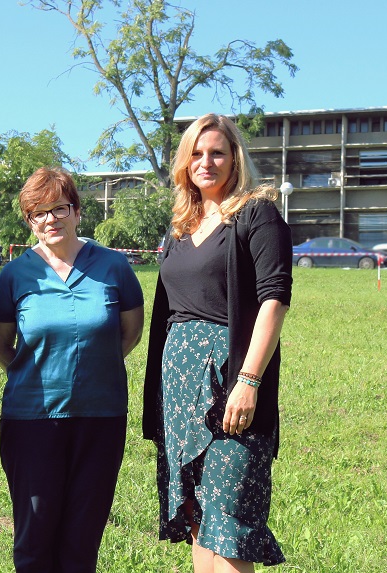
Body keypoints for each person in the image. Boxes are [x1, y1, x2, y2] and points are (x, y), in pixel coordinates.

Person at [142, 114, 293, 573]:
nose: (205, 162)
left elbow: (275, 300)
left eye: (217, 153)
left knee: (230, 526)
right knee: (197, 516)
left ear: (235, 159)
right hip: (179, 387)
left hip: (230, 380)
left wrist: (248, 381)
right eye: (196, 153)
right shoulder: (180, 227)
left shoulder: (256, 214)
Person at [0, 167, 145, 572]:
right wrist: (36, 370)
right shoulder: (14, 275)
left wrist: (92, 366)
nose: (50, 219)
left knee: (82, 542)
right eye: (38, 213)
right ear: (29, 221)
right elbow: (0, 343)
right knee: (34, 541)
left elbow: (129, 333)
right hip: (31, 420)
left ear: (77, 212)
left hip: (101, 417)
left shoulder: (114, 267)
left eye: (59, 208)